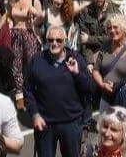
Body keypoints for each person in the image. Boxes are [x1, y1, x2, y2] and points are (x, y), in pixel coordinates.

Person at [24, 25, 94, 157]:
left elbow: (88, 89)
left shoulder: (76, 59)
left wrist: (77, 73)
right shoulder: (37, 60)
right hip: (45, 123)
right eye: (50, 40)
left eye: (58, 40)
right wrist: (34, 114)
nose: (54, 43)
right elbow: (27, 90)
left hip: (71, 123)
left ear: (65, 41)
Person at [5, 0, 44, 109]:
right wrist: (9, 24)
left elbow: (40, 20)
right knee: (16, 68)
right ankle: (20, 100)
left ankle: (35, 96)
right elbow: (10, 17)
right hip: (15, 35)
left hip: (30, 34)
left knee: (32, 66)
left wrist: (36, 13)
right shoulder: (12, 0)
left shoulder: (34, 0)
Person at [91, 14, 126, 104]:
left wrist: (119, 87)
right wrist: (102, 84)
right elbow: (96, 70)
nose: (112, 30)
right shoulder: (105, 45)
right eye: (109, 28)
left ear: (123, 27)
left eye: (115, 27)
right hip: (106, 98)